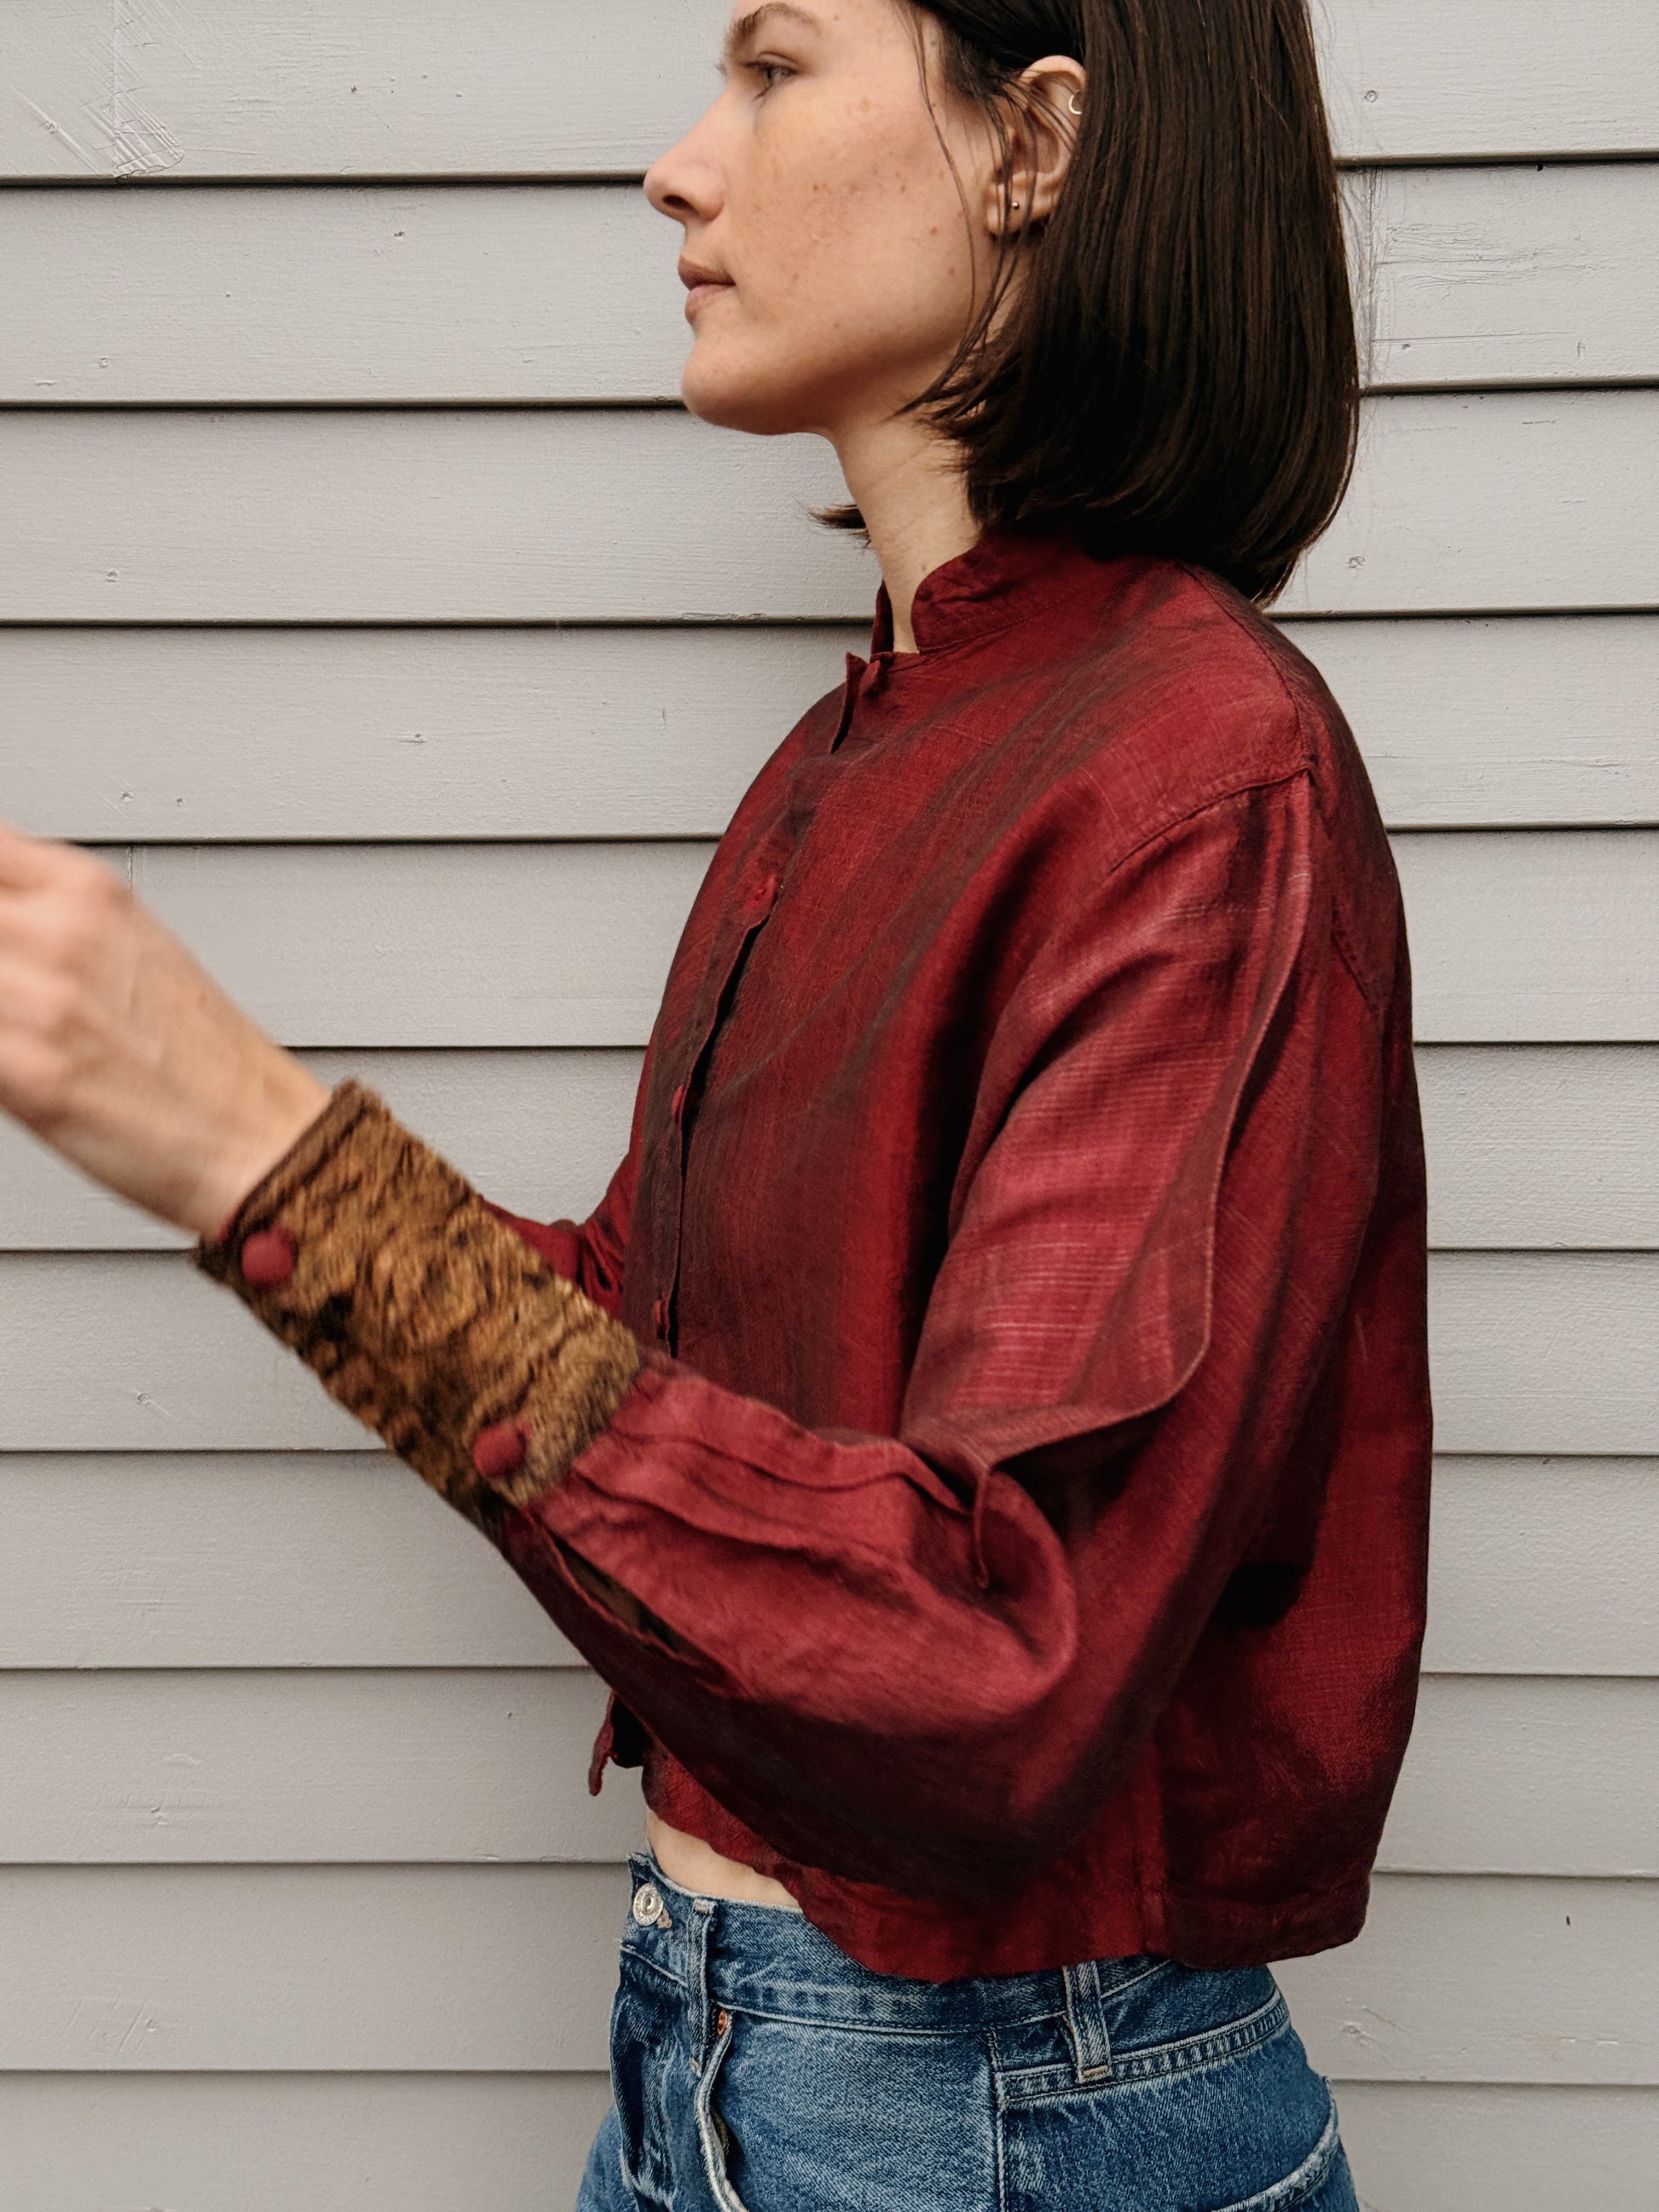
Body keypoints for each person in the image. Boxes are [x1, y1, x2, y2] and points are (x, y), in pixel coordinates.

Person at [0, 1, 1431, 2205]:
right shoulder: (854, 750)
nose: (682, 163)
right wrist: (210, 1140)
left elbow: (994, 1661)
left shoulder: (1196, 772)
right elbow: (656, 1365)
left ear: (1036, 144)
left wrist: (267, 1157)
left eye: (772, 65)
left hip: (992, 2113)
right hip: (727, 2052)